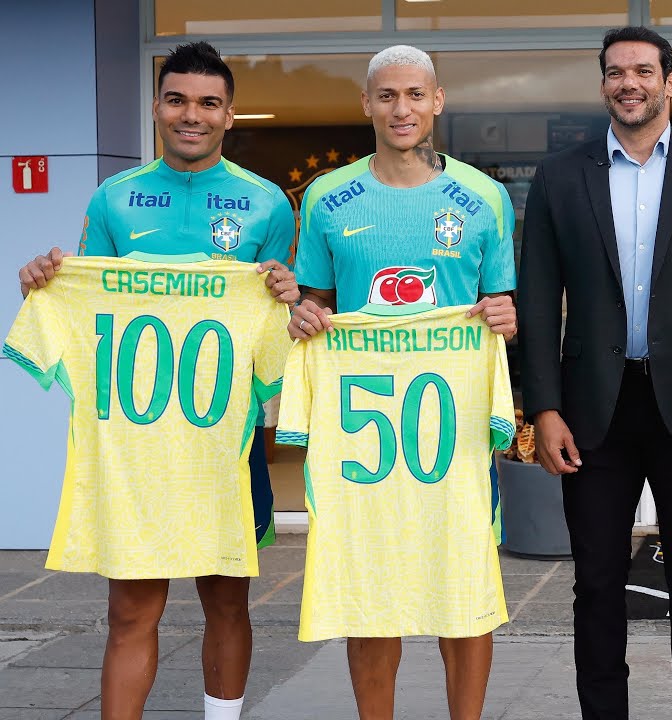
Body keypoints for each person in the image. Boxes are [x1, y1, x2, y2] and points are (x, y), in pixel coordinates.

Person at [15, 41, 298, 720]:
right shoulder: (113, 198)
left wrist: (287, 294)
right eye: (177, 100)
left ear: (230, 115)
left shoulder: (266, 206)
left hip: (223, 444)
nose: (190, 115)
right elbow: (92, 305)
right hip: (136, 447)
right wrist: (45, 284)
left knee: (227, 601)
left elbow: (281, 327)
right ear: (156, 106)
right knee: (129, 609)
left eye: (207, 103)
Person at [516, 26, 672, 720]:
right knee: (596, 582)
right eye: (615, 72)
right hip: (590, 410)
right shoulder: (561, 176)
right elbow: (537, 299)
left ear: (670, 82)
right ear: (603, 84)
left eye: (642, 71)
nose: (629, 83)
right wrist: (542, 409)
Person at [286, 45, 516, 720]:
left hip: (454, 434)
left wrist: (505, 317)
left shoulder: (484, 197)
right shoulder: (328, 197)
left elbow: (502, 314)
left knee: (465, 589)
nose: (402, 108)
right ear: (366, 104)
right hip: (364, 435)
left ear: (438, 101)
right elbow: (316, 307)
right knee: (370, 591)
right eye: (387, 95)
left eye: (416, 94)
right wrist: (303, 316)